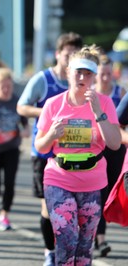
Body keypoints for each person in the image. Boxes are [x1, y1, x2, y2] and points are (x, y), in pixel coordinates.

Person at [34, 45, 121, 265]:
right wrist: (52, 134)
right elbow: (41, 146)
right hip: (58, 177)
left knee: (84, 247)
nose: (82, 77)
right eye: (78, 72)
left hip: (92, 181)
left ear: (94, 76)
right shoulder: (53, 104)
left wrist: (98, 113)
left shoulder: (105, 103)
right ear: (68, 72)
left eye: (88, 73)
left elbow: (114, 143)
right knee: (66, 238)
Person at [17, 32, 83, 266]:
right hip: (45, 150)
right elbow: (22, 107)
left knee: (74, 207)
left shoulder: (81, 83)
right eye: (67, 55)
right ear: (58, 54)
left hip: (75, 151)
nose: (70, 59)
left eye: (75, 55)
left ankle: (71, 252)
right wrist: (48, 113)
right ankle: (49, 252)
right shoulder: (43, 80)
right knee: (48, 207)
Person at [0, 68, 30, 231]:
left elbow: (25, 125)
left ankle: (4, 215)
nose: (6, 89)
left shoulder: (16, 101)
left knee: (9, 183)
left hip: (11, 147)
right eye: (2, 86)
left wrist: (24, 131)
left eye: (8, 86)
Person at [93, 53, 127, 257]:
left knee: (110, 195)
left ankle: (99, 236)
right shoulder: (91, 96)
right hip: (97, 149)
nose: (105, 78)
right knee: (98, 193)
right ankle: (100, 238)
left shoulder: (120, 92)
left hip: (117, 150)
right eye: (101, 74)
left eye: (108, 74)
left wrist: (120, 137)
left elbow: (120, 127)